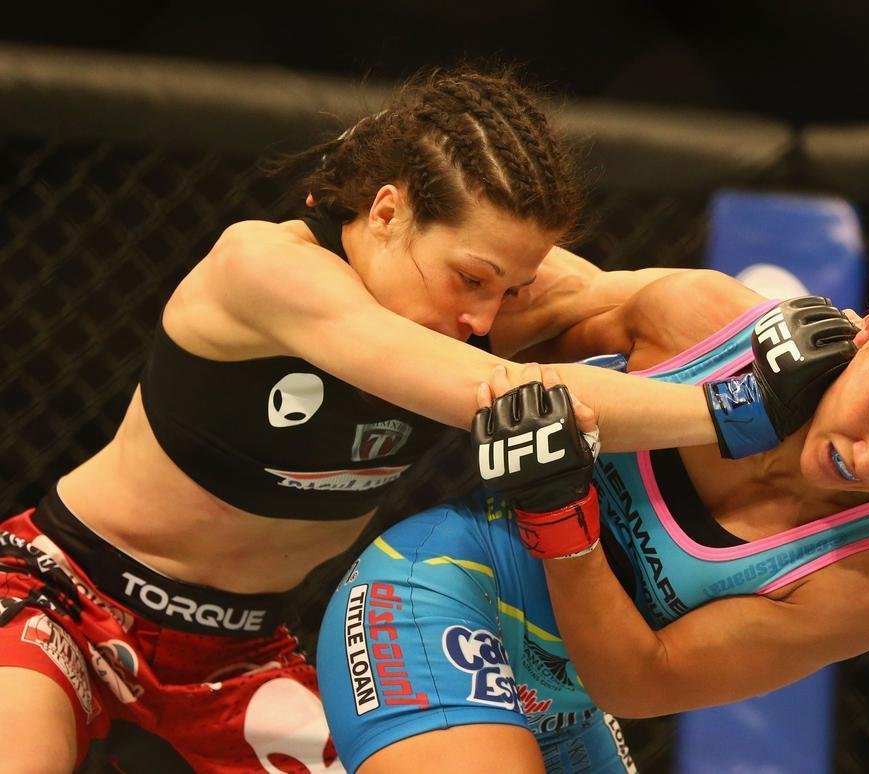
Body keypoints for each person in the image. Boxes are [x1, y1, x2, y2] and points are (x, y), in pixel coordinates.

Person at [0, 66, 804, 773]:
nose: (487, 314)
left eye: (512, 288)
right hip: (62, 592)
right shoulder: (264, 267)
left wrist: (806, 342)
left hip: (240, 657)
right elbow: (493, 388)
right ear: (387, 211)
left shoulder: (486, 297)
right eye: (472, 279)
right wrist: (737, 406)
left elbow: (645, 299)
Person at [315, 228, 869, 772]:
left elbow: (640, 683)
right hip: (444, 591)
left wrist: (564, 523)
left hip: (569, 707)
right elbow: (496, 327)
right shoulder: (704, 324)